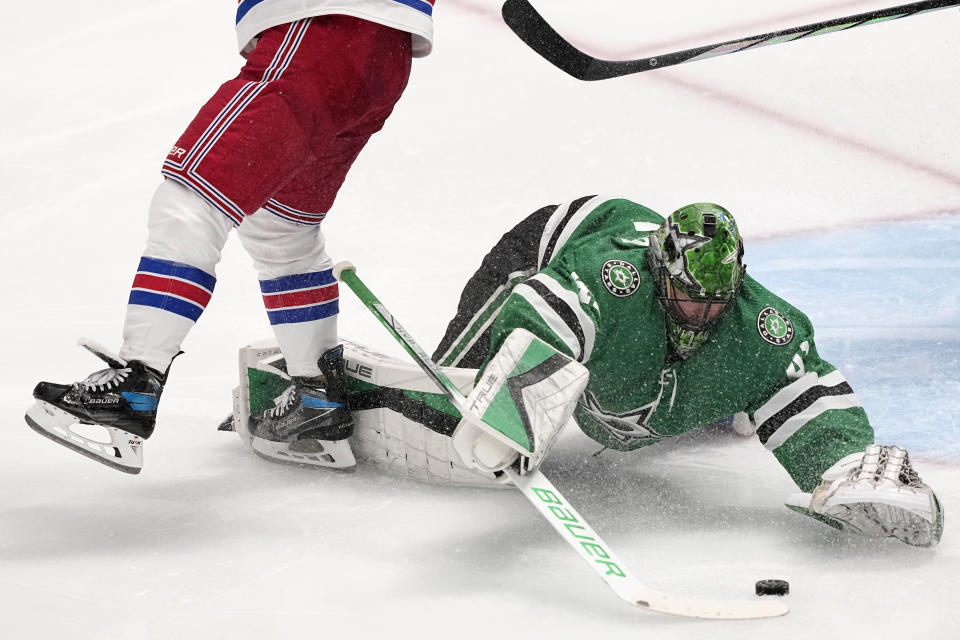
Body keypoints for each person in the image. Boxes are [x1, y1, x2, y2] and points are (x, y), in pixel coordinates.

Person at [24, 0, 436, 474]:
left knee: (188, 204)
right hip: (384, 55)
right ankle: (316, 398)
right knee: (280, 224)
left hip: (319, 30)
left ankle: (135, 381)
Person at [433, 195, 943, 547]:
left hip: (632, 388)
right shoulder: (615, 280)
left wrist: (845, 470)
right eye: (690, 298)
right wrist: (509, 408)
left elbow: (805, 391)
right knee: (449, 401)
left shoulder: (759, 325)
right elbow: (539, 313)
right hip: (548, 246)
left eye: (717, 301)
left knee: (692, 380)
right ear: (662, 271)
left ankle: (715, 409)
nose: (702, 314)